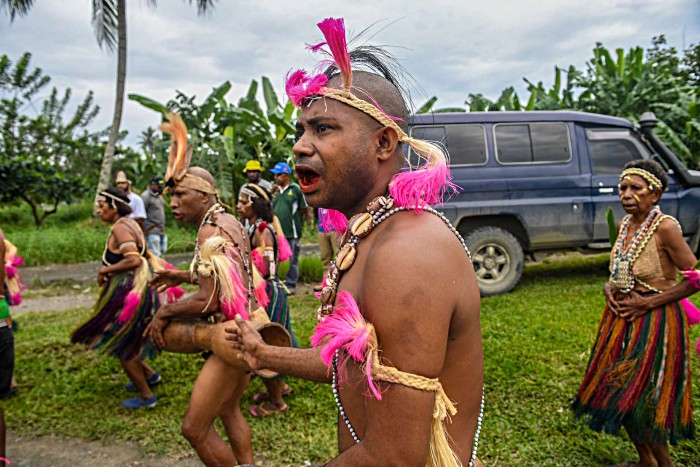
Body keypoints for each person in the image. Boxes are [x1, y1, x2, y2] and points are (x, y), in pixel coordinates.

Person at [227, 18, 484, 466]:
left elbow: (393, 459)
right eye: (301, 132)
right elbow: (350, 363)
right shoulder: (372, 233)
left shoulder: (407, 251)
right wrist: (262, 352)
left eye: (322, 129)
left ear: (384, 143)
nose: (301, 148)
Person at [147, 114, 259, 465]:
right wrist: (182, 276)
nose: (174, 203)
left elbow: (210, 298)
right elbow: (228, 283)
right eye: (171, 196)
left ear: (202, 193)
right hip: (252, 323)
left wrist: (163, 312)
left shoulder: (208, 231)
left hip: (232, 336)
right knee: (228, 410)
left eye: (180, 195)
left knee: (194, 429)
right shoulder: (228, 221)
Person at [572, 160, 697, 467]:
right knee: (616, 391)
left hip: (656, 320)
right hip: (622, 319)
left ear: (654, 195)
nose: (626, 194)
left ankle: (664, 464)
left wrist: (649, 302)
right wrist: (609, 288)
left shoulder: (666, 227)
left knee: (645, 399)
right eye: (623, 188)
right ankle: (646, 461)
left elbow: (695, 277)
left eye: (635, 189)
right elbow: (621, 270)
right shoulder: (624, 225)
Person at [71, 188, 161, 409]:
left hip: (127, 291)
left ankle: (146, 396)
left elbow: (133, 260)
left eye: (102, 205)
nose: (99, 210)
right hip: (136, 289)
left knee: (123, 345)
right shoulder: (131, 224)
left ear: (114, 207)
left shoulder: (121, 228)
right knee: (130, 336)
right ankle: (150, 376)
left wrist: (105, 272)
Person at [237, 183, 298, 417]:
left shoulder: (261, 230)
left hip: (268, 292)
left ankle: (277, 401)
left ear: (256, 204)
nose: (240, 206)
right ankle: (280, 386)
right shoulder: (255, 227)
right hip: (268, 290)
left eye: (244, 202)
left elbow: (264, 267)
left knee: (269, 342)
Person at [270, 162, 310, 295]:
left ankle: (291, 284)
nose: (276, 177)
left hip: (291, 231)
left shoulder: (295, 189)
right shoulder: (275, 192)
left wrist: (297, 220)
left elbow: (303, 208)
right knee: (275, 259)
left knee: (292, 259)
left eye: (279, 174)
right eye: (275, 175)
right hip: (277, 232)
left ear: (287, 175)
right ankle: (275, 284)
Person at [141, 176, 168, 258]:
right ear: (152, 185)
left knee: (163, 252)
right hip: (151, 230)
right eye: (158, 186)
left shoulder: (159, 196)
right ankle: (155, 271)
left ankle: (160, 270)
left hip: (161, 230)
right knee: (155, 255)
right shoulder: (145, 196)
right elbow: (141, 214)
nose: (160, 188)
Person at [314, 208, 340, 292]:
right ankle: (325, 283)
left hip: (335, 228)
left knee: (338, 257)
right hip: (322, 229)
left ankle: (339, 282)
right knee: (325, 257)